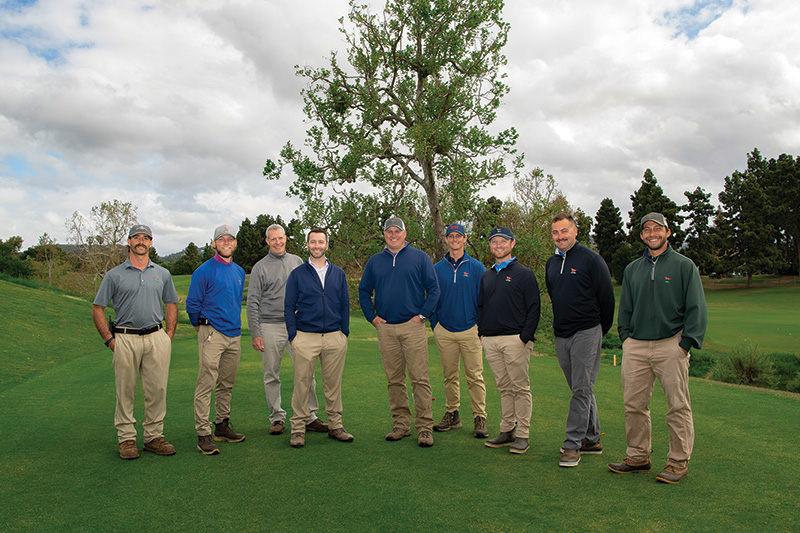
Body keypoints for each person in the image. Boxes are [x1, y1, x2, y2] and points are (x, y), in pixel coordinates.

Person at [608, 212, 707, 484]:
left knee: (677, 406)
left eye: (657, 229)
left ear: (668, 232)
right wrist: (626, 338)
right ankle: (638, 456)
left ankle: (678, 462)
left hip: (671, 344)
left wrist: (685, 344)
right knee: (634, 405)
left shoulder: (684, 266)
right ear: (641, 235)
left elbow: (696, 308)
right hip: (636, 346)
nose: (652, 233)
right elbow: (625, 308)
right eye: (647, 230)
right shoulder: (632, 269)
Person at [92, 224, 178, 460]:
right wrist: (110, 340)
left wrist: (168, 336)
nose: (141, 241)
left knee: (157, 390)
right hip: (125, 337)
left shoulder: (162, 273)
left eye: (146, 238)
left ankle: (153, 437)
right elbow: (97, 308)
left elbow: (171, 304)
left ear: (151, 243)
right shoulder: (114, 275)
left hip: (155, 337)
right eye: (136, 237)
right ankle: (127, 439)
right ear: (128, 242)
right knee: (125, 390)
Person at [358, 217, 440, 447]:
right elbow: (363, 290)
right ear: (384, 234)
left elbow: (434, 289)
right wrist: (372, 318)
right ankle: (401, 425)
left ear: (405, 233)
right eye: (389, 231)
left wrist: (423, 315)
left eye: (397, 231)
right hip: (386, 328)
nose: (393, 234)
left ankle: (424, 427)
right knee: (394, 380)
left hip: (413, 326)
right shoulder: (375, 261)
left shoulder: (420, 257)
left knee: (419, 379)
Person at [545, 213, 615, 468]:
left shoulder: (591, 259)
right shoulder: (551, 263)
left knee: (581, 389)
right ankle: (592, 438)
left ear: (576, 231)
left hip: (587, 330)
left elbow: (607, 299)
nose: (560, 236)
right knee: (580, 387)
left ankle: (573, 444)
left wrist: (598, 331)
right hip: (562, 333)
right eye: (555, 232)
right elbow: (555, 295)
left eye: (565, 231)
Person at [246, 224, 327, 436]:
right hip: (270, 325)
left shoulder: (297, 262)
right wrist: (256, 333)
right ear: (267, 241)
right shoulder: (260, 267)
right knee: (272, 374)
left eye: (280, 238)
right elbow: (252, 301)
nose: (278, 242)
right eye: (273, 239)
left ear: (286, 238)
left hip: (297, 325)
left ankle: (310, 416)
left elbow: (307, 293)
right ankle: (277, 417)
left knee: (306, 371)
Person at [284, 228, 353, 448]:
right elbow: (288, 306)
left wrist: (344, 332)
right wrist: (293, 336)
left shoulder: (338, 273)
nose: (317, 246)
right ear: (307, 245)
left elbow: (344, 304)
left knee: (333, 385)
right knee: (302, 383)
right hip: (305, 337)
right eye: (313, 242)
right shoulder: (297, 274)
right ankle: (297, 428)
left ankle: (336, 426)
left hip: (334, 336)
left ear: (326, 245)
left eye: (320, 242)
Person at [185, 225, 247, 455]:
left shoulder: (239, 272)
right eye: (222, 239)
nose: (226, 243)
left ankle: (221, 425)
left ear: (235, 243)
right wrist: (201, 329)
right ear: (214, 244)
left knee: (227, 383)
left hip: (234, 334)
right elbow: (192, 305)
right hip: (212, 332)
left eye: (230, 239)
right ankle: (203, 433)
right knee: (206, 383)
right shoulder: (204, 270)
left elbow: (235, 301)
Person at [478, 226, 540, 455]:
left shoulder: (524, 274)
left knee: (520, 387)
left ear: (512, 244)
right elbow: (481, 306)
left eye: (503, 241)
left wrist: (525, 337)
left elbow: (534, 307)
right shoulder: (487, 275)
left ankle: (522, 433)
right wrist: (481, 333)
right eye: (494, 242)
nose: (498, 245)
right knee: (504, 387)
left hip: (516, 339)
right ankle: (507, 430)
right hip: (491, 340)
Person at [430, 223, 488, 438]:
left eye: (458, 236)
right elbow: (432, 297)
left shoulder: (477, 268)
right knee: (449, 376)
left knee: (475, 376)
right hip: (444, 330)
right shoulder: (436, 269)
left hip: (470, 329)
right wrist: (435, 324)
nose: (454, 239)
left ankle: (479, 417)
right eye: (451, 236)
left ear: (465, 239)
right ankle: (452, 414)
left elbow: (484, 300)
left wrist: (480, 326)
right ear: (446, 240)